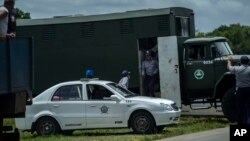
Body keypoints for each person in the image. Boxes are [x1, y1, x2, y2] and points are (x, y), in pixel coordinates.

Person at [227, 55, 250, 125]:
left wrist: (229, 61)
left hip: (240, 90)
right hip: (249, 89)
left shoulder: (237, 69)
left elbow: (229, 68)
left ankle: (240, 122)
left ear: (240, 62)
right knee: (249, 106)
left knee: (239, 106)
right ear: (248, 62)